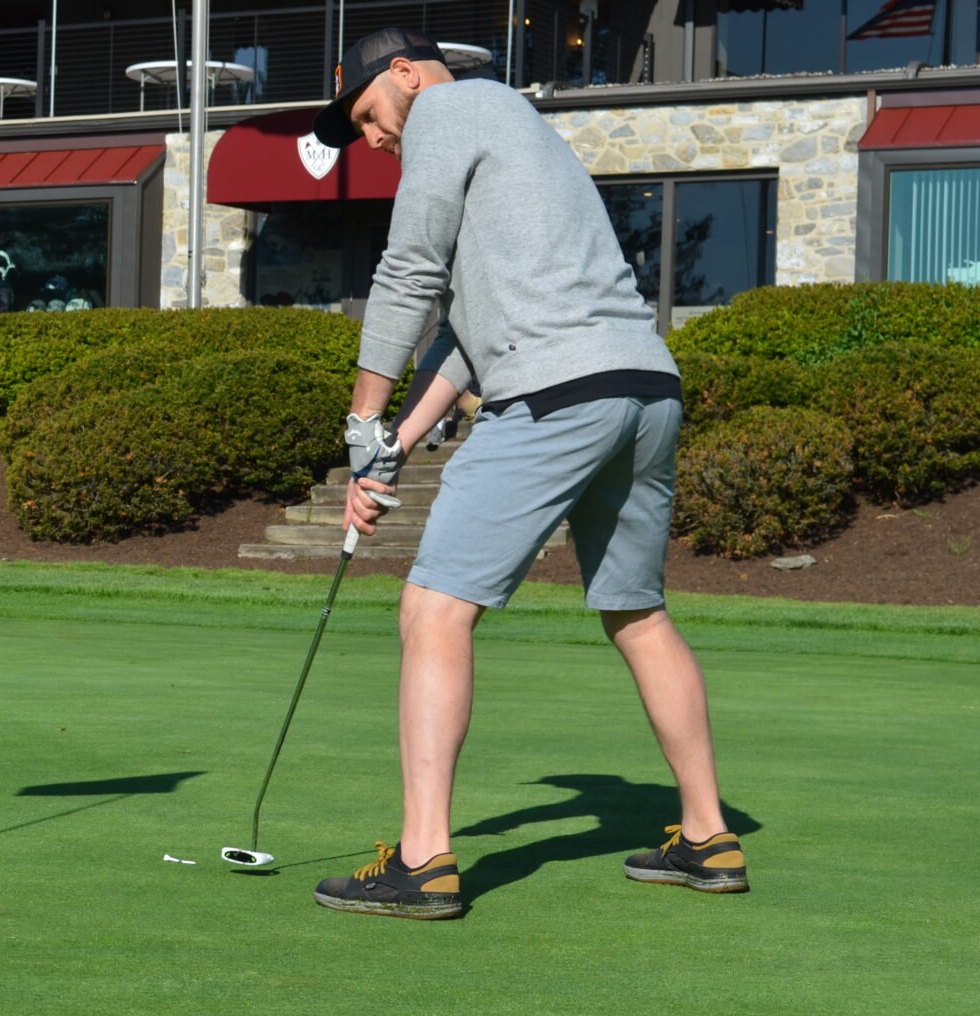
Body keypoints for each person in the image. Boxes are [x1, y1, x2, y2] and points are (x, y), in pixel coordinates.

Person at [302, 28, 748, 920]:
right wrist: (394, 440)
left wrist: (357, 417)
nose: (375, 139)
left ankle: (424, 860)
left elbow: (407, 272)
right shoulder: (521, 131)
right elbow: (470, 336)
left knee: (433, 608)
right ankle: (708, 835)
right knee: (638, 611)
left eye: (367, 116)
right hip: (646, 387)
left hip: (557, 395)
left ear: (403, 75)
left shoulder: (448, 107)